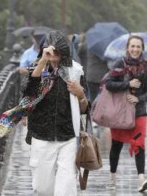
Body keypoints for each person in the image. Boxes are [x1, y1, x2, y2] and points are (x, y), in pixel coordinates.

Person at [24, 30, 88, 195]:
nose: (53, 59)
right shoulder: (37, 68)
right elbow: (28, 92)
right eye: (50, 54)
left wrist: (80, 93)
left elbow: (85, 108)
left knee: (66, 187)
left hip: (67, 136)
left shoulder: (75, 71)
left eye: (57, 55)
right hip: (41, 135)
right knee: (42, 187)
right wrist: (42, 61)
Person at [104, 35, 147, 192]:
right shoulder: (120, 63)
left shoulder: (146, 67)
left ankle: (141, 179)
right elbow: (109, 84)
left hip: (139, 112)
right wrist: (127, 84)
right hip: (120, 113)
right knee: (116, 145)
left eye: (138, 46)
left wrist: (138, 99)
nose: (135, 49)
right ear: (127, 47)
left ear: (142, 49)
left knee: (139, 144)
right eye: (132, 46)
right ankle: (112, 177)